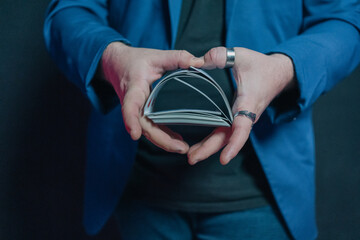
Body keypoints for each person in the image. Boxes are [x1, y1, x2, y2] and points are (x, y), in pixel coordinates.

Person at [44, 0, 360, 239]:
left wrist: (284, 67)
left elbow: (345, 17)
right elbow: (70, 10)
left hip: (265, 193)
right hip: (133, 184)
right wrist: (113, 57)